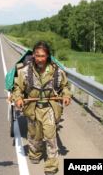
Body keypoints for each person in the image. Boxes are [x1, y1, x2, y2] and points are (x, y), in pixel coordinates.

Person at [11, 41, 71, 175]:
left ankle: (51, 167)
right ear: (33, 56)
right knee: (34, 136)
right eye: (37, 55)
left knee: (50, 137)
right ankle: (35, 154)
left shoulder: (57, 72)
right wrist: (18, 98)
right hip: (32, 108)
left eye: (42, 56)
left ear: (48, 56)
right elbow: (17, 88)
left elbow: (65, 87)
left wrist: (66, 95)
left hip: (50, 108)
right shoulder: (24, 72)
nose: (39, 59)